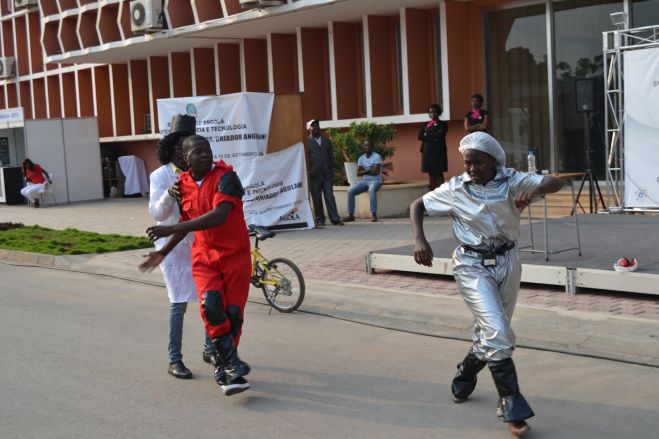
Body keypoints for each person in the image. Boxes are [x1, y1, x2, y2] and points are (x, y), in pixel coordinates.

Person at [410, 132, 563, 437]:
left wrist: (533, 192)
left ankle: (466, 372)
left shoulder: (512, 180)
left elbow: (554, 182)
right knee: (498, 332)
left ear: (493, 160)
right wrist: (419, 239)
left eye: (478, 162)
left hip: (508, 261)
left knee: (495, 333)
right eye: (468, 162)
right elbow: (417, 205)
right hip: (471, 264)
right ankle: (512, 407)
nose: (472, 168)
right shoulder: (455, 189)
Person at [140, 135, 252, 397]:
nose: (205, 156)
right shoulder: (183, 184)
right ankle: (230, 365)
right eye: (198, 152)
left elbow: (219, 216)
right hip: (204, 257)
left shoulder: (227, 178)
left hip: (235, 256)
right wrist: (164, 252)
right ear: (186, 158)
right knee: (211, 306)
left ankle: (225, 368)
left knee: (232, 315)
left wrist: (172, 227)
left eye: (208, 151)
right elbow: (189, 218)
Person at [148, 115, 217, 380]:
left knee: (209, 298)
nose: (181, 151)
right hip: (173, 248)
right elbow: (155, 211)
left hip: (200, 243)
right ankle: (174, 359)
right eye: (177, 145)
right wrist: (169, 194)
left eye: (186, 146)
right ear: (172, 149)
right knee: (179, 304)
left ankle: (209, 348)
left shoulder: (200, 173)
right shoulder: (161, 175)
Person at [307, 119, 343, 226]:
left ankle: (335, 218)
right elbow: (306, 158)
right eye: (313, 126)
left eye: (317, 125)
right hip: (314, 175)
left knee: (330, 196)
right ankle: (320, 219)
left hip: (327, 174)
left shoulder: (327, 141)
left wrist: (332, 171)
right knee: (317, 198)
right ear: (309, 129)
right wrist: (310, 172)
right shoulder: (307, 142)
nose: (316, 127)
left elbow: (331, 157)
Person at [342, 140, 382, 223]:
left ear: (372, 147)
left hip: (375, 181)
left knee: (371, 190)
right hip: (365, 181)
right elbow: (357, 173)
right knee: (350, 191)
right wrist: (370, 169)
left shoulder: (377, 156)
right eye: (365, 145)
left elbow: (376, 172)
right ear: (363, 147)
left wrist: (364, 171)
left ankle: (373, 213)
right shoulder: (361, 158)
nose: (367, 147)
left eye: (369, 145)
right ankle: (351, 215)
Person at [419, 103, 449, 190]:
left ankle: (442, 192)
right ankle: (432, 192)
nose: (432, 114)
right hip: (427, 152)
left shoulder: (442, 124)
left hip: (438, 152)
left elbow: (440, 136)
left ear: (439, 113)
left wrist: (427, 135)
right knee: (431, 173)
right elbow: (420, 136)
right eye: (430, 112)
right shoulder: (426, 124)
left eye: (434, 112)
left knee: (439, 172)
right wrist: (433, 137)